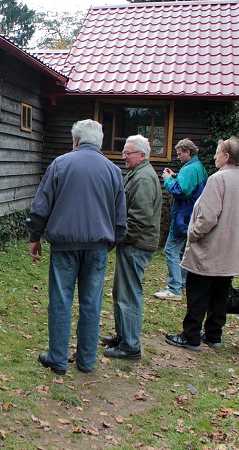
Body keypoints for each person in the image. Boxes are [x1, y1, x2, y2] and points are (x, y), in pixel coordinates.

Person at [26, 119, 127, 375]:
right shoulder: (114, 171)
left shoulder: (60, 164)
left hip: (65, 245)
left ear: (76, 141)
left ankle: (58, 360)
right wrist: (109, 242)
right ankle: (86, 361)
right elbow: (120, 218)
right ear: (100, 143)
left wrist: (35, 235)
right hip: (97, 247)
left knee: (60, 301)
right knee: (91, 303)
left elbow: (41, 205)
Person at [165, 137, 239, 351]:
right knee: (220, 295)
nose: (214, 156)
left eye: (218, 152)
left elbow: (207, 217)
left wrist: (193, 233)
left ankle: (191, 336)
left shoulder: (218, 179)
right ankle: (214, 335)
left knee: (197, 293)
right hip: (231, 249)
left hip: (211, 248)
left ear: (227, 156)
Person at [101, 135, 162, 360]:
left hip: (136, 245)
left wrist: (120, 238)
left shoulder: (144, 178)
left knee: (129, 295)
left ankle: (130, 346)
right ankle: (123, 336)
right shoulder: (138, 173)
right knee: (121, 291)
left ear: (142, 155)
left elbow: (139, 218)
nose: (123, 156)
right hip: (132, 243)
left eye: (128, 153)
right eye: (124, 152)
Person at [155, 139, 208, 301]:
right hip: (193, 217)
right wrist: (176, 176)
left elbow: (182, 191)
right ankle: (183, 283)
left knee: (171, 249)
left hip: (183, 217)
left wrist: (168, 179)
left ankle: (174, 288)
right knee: (185, 251)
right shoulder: (198, 167)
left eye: (179, 154)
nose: (178, 157)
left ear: (188, 152)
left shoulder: (190, 169)